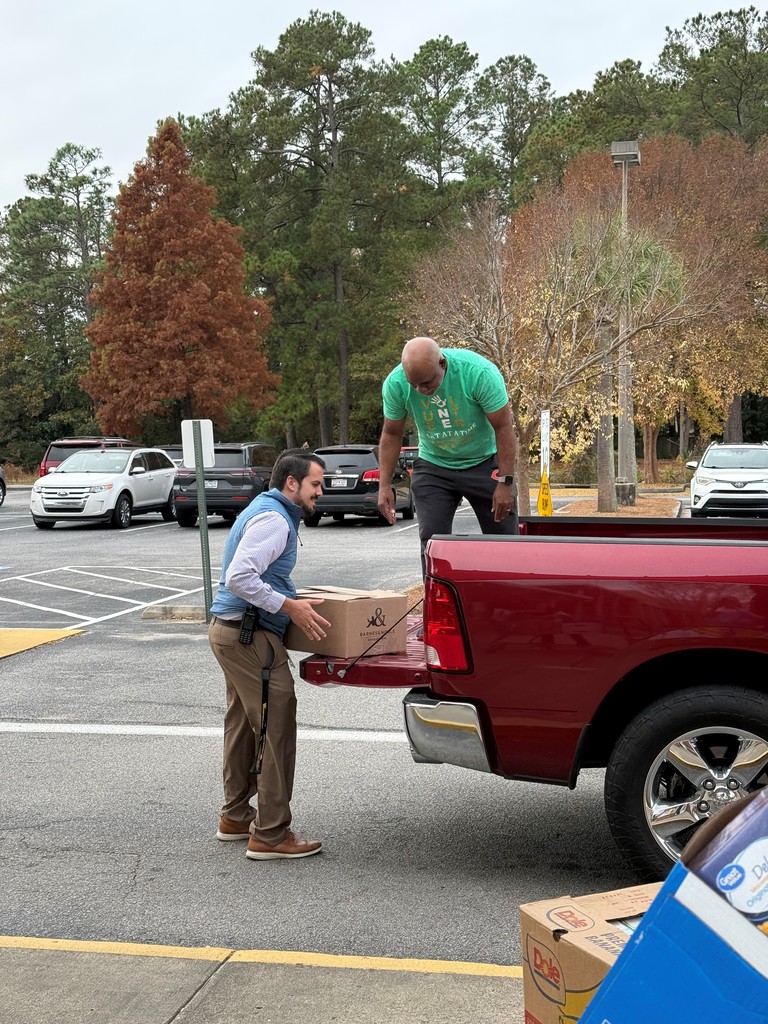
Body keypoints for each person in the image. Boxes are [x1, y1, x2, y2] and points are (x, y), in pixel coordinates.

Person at [208, 450, 331, 860]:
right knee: (276, 726)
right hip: (250, 635)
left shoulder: (266, 511)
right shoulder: (275, 519)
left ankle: (236, 816)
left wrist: (289, 596)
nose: (320, 492)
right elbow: (239, 577)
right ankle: (272, 834)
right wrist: (289, 605)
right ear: (291, 484)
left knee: (244, 724)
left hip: (233, 632)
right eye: (315, 484)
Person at [378, 337, 518, 573]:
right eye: (415, 385)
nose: (421, 391)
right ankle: (438, 605)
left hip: (484, 463)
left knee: (504, 541)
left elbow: (504, 428)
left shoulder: (478, 373)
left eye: (427, 383)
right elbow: (391, 434)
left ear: (442, 363)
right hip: (434, 466)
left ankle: (508, 605)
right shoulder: (396, 383)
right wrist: (384, 486)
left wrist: (505, 482)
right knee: (433, 543)